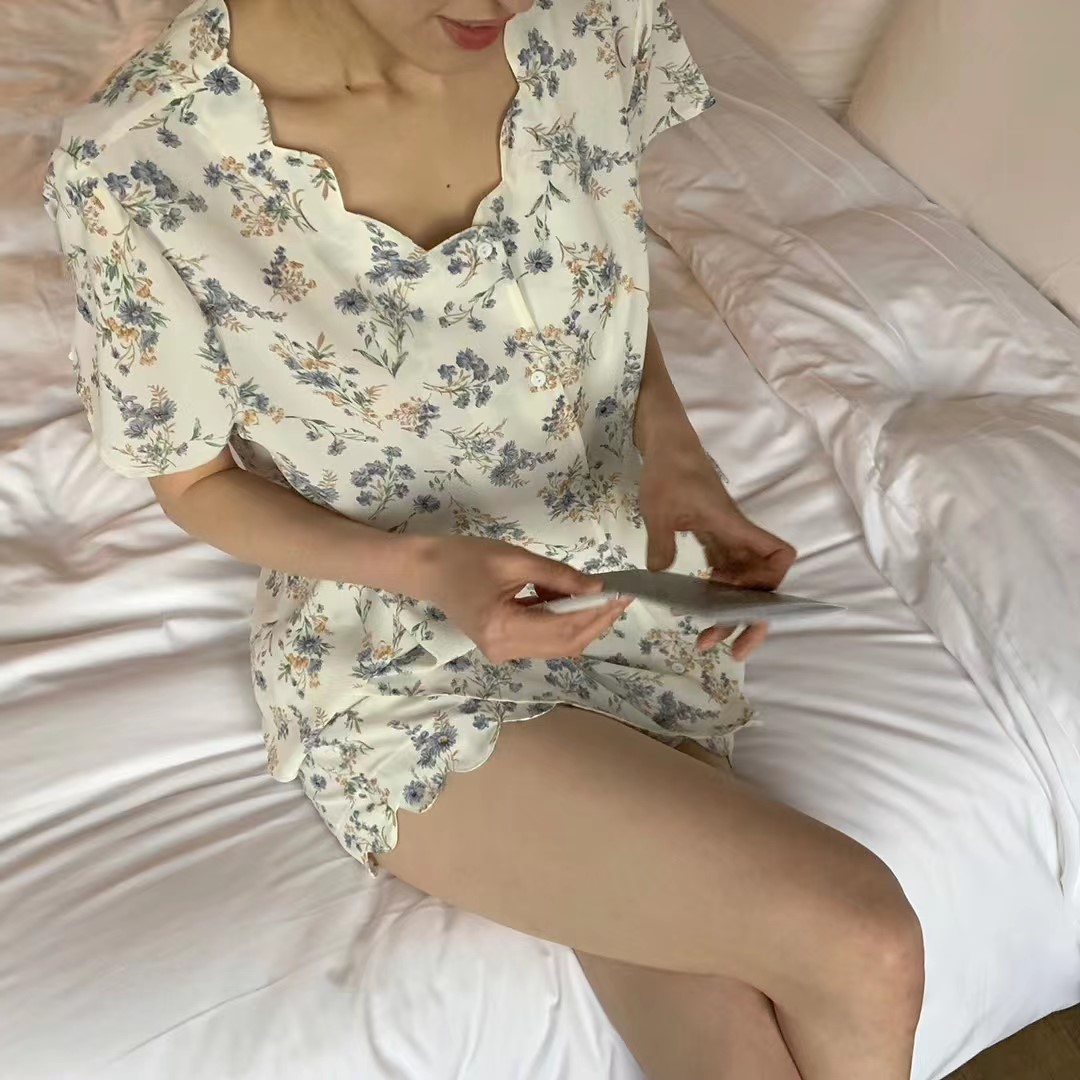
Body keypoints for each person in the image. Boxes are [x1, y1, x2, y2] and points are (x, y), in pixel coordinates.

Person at [46, 0, 924, 1075]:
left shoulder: (588, 25)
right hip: (400, 655)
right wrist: (430, 567)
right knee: (864, 940)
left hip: (626, 606)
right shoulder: (139, 154)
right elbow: (193, 481)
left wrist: (678, 460)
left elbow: (599, 270)